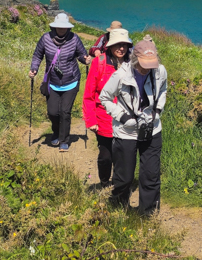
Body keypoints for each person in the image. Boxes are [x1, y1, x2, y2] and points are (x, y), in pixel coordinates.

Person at [99, 36, 167, 214]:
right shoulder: (120, 75)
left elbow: (163, 90)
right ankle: (117, 209)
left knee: (151, 175)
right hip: (126, 132)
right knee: (124, 178)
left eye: (152, 63)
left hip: (152, 129)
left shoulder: (160, 71)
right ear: (135, 59)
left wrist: (158, 111)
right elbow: (104, 97)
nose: (148, 68)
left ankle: (148, 213)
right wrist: (122, 116)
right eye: (145, 64)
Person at [29, 11, 88, 150]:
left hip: (71, 81)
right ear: (54, 27)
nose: (61, 29)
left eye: (64, 27)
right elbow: (37, 55)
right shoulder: (45, 39)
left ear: (68, 28)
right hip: (52, 82)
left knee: (65, 111)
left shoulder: (74, 39)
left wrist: (85, 60)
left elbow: (81, 55)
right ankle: (56, 131)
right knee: (53, 112)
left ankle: (64, 140)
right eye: (59, 26)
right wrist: (34, 68)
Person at [83, 27, 130, 184]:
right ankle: (104, 181)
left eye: (124, 45)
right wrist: (91, 120)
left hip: (126, 120)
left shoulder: (132, 64)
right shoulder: (99, 63)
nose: (121, 48)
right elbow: (89, 94)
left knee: (121, 155)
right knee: (105, 156)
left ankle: (118, 185)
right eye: (118, 44)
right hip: (104, 120)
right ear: (110, 45)